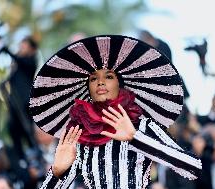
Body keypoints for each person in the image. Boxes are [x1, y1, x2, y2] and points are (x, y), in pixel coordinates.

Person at [29, 35, 202, 188]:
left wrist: (135, 138)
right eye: (94, 78)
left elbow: (193, 167)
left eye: (109, 76)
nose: (100, 82)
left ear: (119, 83)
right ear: (87, 87)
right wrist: (57, 172)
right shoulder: (82, 136)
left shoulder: (141, 124)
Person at [0, 26, 39, 159]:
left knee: (29, 133)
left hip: (26, 105)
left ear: (32, 49)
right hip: (14, 105)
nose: (21, 48)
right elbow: (3, 67)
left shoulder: (30, 61)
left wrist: (0, 43)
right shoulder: (16, 66)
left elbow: (13, 56)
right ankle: (21, 159)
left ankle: (38, 155)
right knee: (14, 131)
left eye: (24, 46)